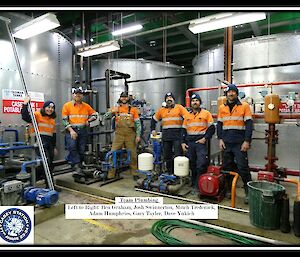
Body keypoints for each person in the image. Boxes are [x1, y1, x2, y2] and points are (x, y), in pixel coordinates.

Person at [217, 84, 253, 204]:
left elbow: (249, 125)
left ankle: (249, 192)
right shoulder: (222, 107)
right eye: (229, 92)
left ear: (237, 93)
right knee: (227, 167)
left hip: (239, 143)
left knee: (243, 167)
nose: (231, 94)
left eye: (233, 92)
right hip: (226, 142)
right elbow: (220, 125)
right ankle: (228, 190)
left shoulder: (244, 106)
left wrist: (247, 141)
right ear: (226, 94)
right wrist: (220, 139)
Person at [21, 96, 59, 190]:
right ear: (44, 107)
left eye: (52, 108)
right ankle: (50, 186)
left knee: (48, 164)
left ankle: (45, 184)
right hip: (39, 141)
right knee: (46, 163)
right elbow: (25, 117)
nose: (50, 109)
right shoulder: (37, 114)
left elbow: (53, 135)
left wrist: (54, 147)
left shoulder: (52, 120)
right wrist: (25, 104)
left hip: (49, 143)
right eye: (48, 107)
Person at [181, 93, 215, 192]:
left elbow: (212, 128)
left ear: (200, 102)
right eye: (193, 101)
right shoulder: (187, 115)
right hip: (190, 143)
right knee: (192, 164)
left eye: (196, 100)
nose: (194, 102)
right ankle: (193, 182)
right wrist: (183, 142)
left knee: (201, 164)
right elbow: (183, 130)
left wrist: (205, 138)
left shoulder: (206, 113)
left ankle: (200, 184)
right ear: (190, 103)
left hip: (201, 143)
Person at [104, 91, 141, 180]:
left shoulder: (133, 110)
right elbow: (105, 117)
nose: (124, 98)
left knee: (133, 154)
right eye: (122, 97)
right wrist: (111, 112)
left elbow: (138, 123)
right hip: (119, 135)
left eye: (125, 97)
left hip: (130, 135)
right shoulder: (116, 108)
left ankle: (134, 173)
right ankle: (111, 174)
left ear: (128, 98)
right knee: (112, 153)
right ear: (120, 98)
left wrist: (138, 135)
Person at [62, 87, 98, 175]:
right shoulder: (67, 105)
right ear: (73, 95)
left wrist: (89, 120)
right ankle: (77, 165)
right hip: (72, 130)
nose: (78, 95)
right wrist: (71, 131)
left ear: (82, 95)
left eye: (80, 94)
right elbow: (64, 120)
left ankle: (77, 165)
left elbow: (95, 115)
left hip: (83, 130)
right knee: (72, 147)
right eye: (76, 93)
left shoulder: (86, 106)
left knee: (81, 149)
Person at [151, 92, 189, 174]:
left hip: (177, 136)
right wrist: (153, 129)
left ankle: (178, 174)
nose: (169, 99)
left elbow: (188, 118)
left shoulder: (179, 108)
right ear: (165, 100)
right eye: (167, 98)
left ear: (174, 99)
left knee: (178, 155)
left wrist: (185, 131)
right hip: (166, 136)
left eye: (171, 97)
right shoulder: (161, 110)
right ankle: (170, 173)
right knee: (167, 156)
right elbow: (153, 120)